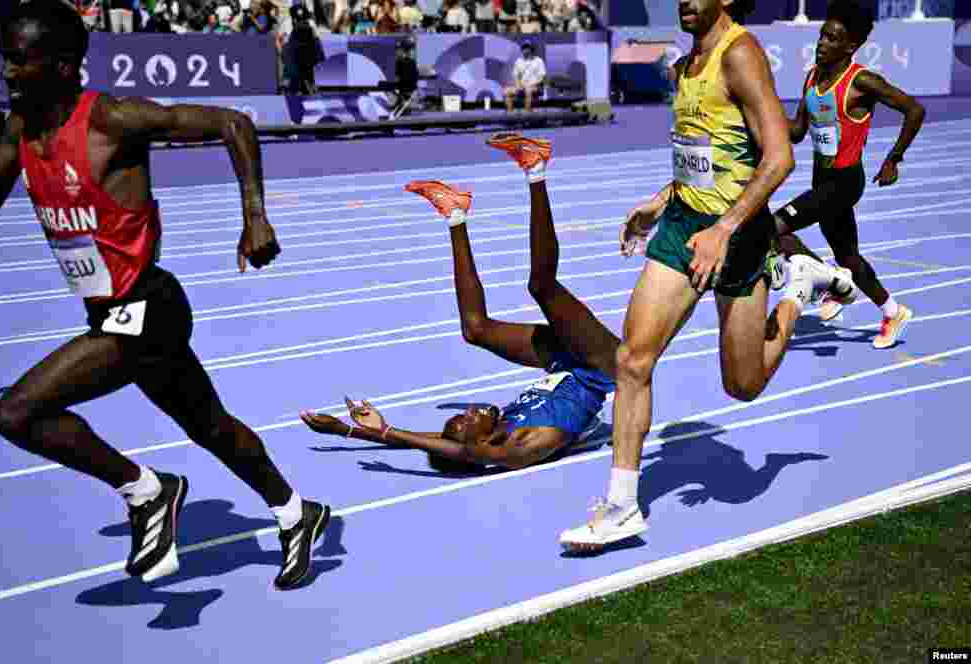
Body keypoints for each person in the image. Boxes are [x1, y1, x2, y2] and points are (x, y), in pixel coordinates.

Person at [0, 0, 328, 589]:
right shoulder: (19, 133)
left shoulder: (111, 119)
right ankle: (295, 513)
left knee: (17, 412)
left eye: (18, 61)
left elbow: (234, 122)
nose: (5, 72)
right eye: (3, 59)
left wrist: (254, 217)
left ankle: (147, 491)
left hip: (148, 307)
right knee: (211, 427)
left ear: (59, 65)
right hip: (110, 312)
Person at [559, 0, 857, 552]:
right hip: (681, 226)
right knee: (632, 359)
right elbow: (702, 154)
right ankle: (622, 506)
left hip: (737, 236)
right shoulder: (685, 62)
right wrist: (661, 200)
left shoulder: (739, 55)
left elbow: (778, 159)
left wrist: (724, 229)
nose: (684, 3)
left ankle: (793, 289)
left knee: (741, 386)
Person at [300, 133, 617, 472]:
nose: (470, 411)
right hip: (599, 362)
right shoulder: (526, 441)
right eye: (466, 421)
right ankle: (535, 167)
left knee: (475, 330)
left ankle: (454, 213)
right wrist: (389, 430)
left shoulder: (493, 427)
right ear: (479, 443)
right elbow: (468, 454)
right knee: (541, 285)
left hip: (560, 359)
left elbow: (441, 442)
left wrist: (348, 430)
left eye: (461, 416)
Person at [767, 0, 924, 348]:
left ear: (850, 45)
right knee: (847, 256)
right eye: (822, 35)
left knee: (772, 228)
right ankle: (893, 310)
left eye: (832, 39)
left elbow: (915, 109)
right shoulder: (813, 77)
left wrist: (893, 159)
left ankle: (832, 283)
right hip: (821, 180)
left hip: (845, 182)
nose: (822, 43)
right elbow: (797, 132)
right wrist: (764, 116)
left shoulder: (862, 81)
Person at [505, 41, 547, 113]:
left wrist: (531, 85)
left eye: (527, 48)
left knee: (528, 90)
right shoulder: (518, 61)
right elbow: (515, 76)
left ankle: (526, 114)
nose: (525, 50)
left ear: (531, 49)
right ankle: (510, 114)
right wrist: (518, 85)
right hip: (522, 86)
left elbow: (542, 77)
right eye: (524, 48)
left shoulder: (538, 61)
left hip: (536, 87)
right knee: (507, 91)